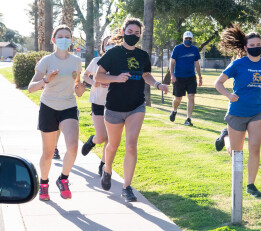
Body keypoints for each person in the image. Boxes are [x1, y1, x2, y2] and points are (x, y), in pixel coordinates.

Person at [95, 18, 168, 202]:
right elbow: (99, 76)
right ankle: (108, 169)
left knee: (131, 145)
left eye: (137, 33)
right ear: (123, 31)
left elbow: (145, 75)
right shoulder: (113, 53)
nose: (133, 35)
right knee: (113, 145)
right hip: (113, 107)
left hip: (136, 105)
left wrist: (157, 84)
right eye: (130, 32)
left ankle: (127, 187)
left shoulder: (143, 55)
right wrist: (116, 78)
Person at [214, 24, 261, 197]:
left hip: (257, 111)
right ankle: (225, 136)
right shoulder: (238, 64)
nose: (255, 47)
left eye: (258, 44)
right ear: (245, 48)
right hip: (237, 111)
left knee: (255, 148)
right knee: (235, 153)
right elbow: (218, 83)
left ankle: (251, 185)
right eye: (251, 45)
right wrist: (229, 95)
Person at [28, 24, 86, 201]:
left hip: (68, 106)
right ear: (54, 40)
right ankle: (44, 183)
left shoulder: (76, 60)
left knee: (73, 147)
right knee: (48, 152)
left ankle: (63, 179)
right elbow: (31, 88)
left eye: (67, 36)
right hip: (49, 107)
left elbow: (77, 86)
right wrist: (46, 80)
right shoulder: (46, 60)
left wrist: (81, 88)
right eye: (60, 36)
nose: (64, 39)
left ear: (71, 40)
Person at [81, 36, 115, 176]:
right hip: (97, 103)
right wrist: (92, 82)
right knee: (101, 137)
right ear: (103, 46)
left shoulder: (118, 63)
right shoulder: (96, 61)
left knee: (110, 140)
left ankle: (103, 165)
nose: (110, 46)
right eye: (108, 44)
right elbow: (85, 75)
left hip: (113, 104)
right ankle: (92, 141)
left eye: (113, 44)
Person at [169, 31, 202, 126]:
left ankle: (188, 119)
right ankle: (174, 110)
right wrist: (172, 75)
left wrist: (200, 77)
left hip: (191, 77)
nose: (188, 40)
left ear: (192, 39)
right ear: (183, 39)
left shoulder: (195, 49)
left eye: (190, 39)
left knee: (191, 97)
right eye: (186, 39)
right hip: (179, 77)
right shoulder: (177, 48)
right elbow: (172, 62)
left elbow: (197, 63)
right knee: (178, 99)